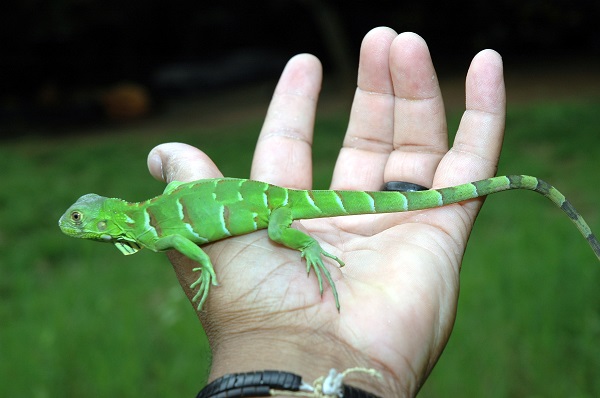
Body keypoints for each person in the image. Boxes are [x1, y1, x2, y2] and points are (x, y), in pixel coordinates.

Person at [146, 27, 506, 397]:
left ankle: (309, 247)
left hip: (276, 207)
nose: (78, 223)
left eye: (78, 218)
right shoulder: (148, 226)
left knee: (276, 232)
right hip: (272, 201)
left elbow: (175, 233)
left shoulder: (156, 230)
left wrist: (306, 247)